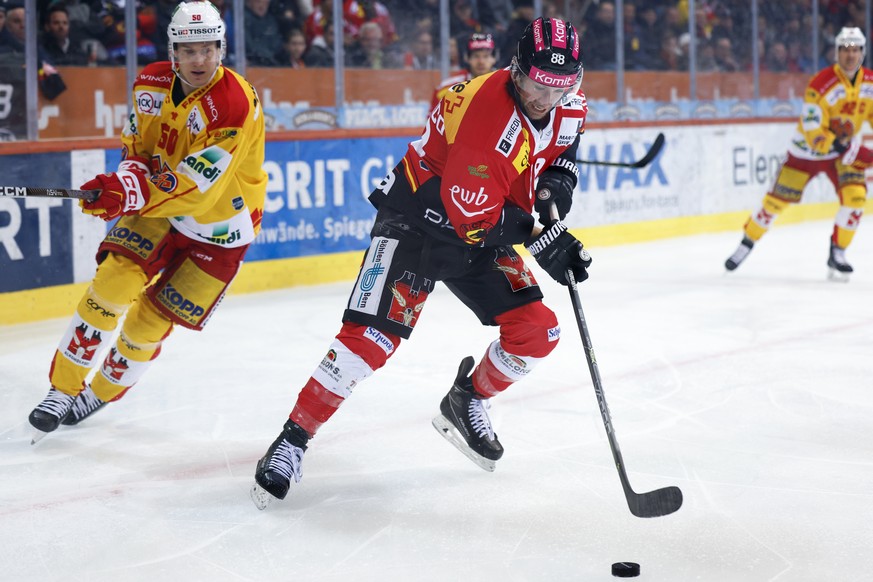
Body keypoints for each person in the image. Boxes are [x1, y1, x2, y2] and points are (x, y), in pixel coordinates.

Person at [251, 17, 591, 508]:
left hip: (481, 223)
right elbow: (474, 219)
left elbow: (563, 146)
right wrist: (546, 242)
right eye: (538, 84)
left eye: (558, 88)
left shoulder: (568, 103)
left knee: (539, 332)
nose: (545, 98)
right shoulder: (486, 118)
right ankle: (293, 440)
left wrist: (557, 183)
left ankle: (467, 399)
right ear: (516, 71)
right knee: (369, 341)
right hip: (416, 222)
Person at [27, 1, 267, 441]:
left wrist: (130, 195)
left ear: (222, 48)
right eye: (189, 50)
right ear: (173, 50)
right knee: (112, 284)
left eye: (209, 49)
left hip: (220, 230)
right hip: (160, 208)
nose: (199, 60)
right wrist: (120, 183)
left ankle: (98, 391)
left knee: (147, 324)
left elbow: (199, 188)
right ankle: (61, 390)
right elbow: (138, 151)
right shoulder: (150, 82)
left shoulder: (235, 102)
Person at [725, 27, 873, 279]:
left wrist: (845, 148)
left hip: (841, 154)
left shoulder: (870, 82)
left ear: (862, 52)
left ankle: (837, 251)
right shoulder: (820, 83)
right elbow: (812, 125)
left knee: (856, 197)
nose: (850, 55)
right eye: (845, 50)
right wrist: (837, 144)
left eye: (856, 49)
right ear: (837, 52)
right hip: (807, 154)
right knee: (774, 202)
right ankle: (747, 242)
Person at [430, 32, 497, 109]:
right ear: (467, 58)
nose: (481, 61)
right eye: (476, 56)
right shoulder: (447, 88)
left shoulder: (506, 84)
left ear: (494, 58)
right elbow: (432, 118)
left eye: (486, 56)